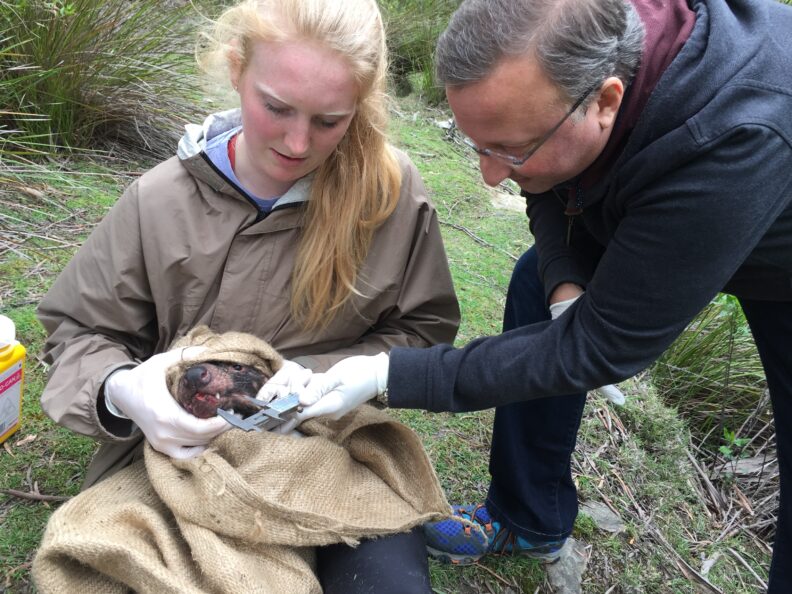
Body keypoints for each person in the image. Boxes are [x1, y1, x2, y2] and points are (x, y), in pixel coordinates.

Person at [291, 0, 792, 590]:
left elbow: (605, 346)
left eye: (509, 150)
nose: (487, 175)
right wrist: (562, 279)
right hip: (676, 186)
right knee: (538, 277)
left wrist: (389, 375)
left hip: (771, 235)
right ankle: (528, 517)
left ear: (605, 101)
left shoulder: (732, 132)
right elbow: (550, 186)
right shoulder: (576, 58)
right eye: (477, 143)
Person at [36, 0, 460, 591]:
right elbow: (79, 331)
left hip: (331, 449)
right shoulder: (158, 201)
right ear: (237, 69)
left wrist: (326, 378)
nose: (296, 141)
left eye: (329, 120)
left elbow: (423, 330)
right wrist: (120, 391)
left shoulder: (391, 196)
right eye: (276, 107)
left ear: (358, 106)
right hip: (181, 455)